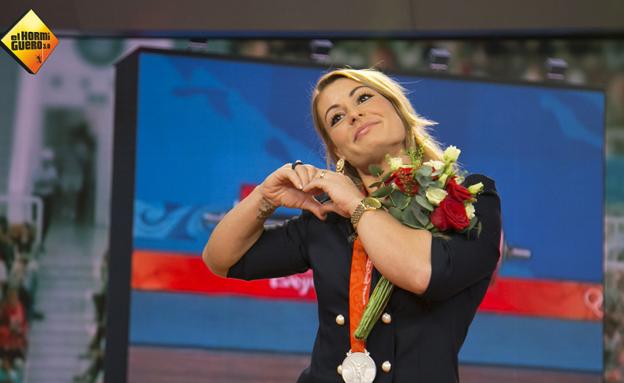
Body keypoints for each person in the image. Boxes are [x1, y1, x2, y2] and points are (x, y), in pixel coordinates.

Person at [202, 68, 502, 382]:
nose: (354, 114)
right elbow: (222, 260)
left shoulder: (469, 199)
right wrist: (264, 197)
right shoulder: (327, 219)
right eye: (336, 118)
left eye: (363, 97)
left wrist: (357, 207)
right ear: (338, 151)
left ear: (397, 108)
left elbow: (421, 272)